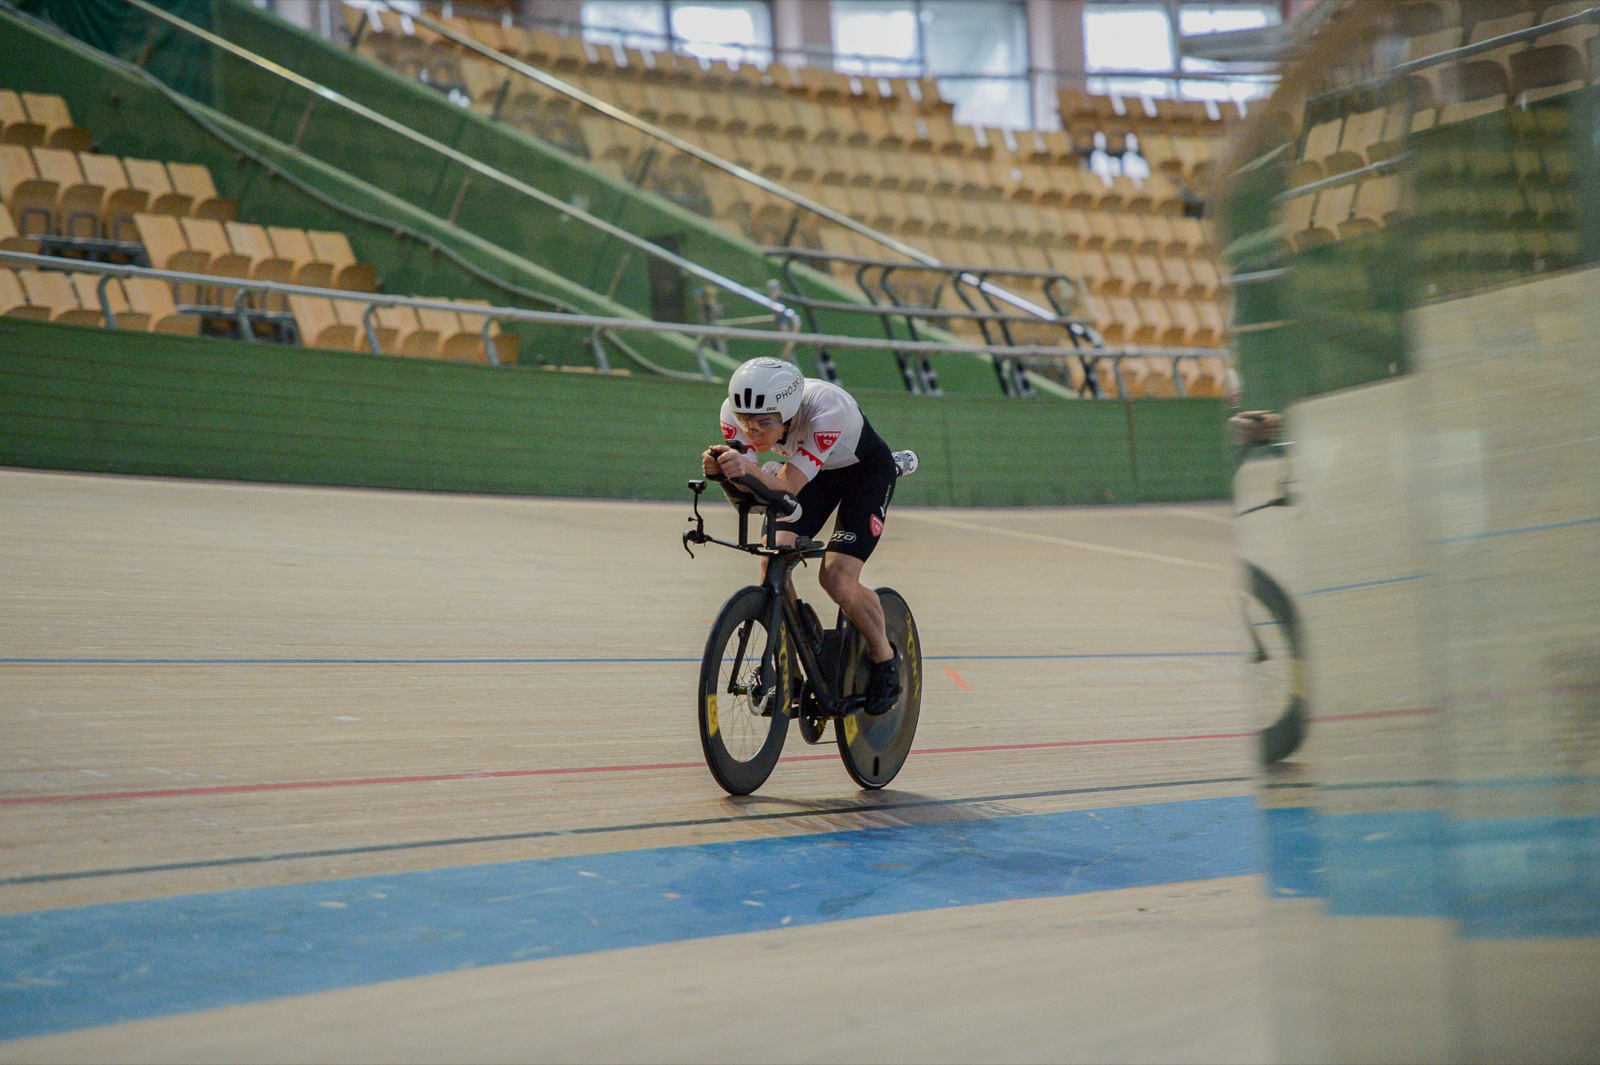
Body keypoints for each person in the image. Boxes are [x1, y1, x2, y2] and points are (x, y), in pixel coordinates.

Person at [702, 357, 917, 716]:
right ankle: (794, 671)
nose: (752, 433)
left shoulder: (827, 410)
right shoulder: (732, 414)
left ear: (789, 415)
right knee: (773, 558)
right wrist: (722, 472)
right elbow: (750, 485)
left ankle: (885, 659)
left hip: (863, 474)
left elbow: (786, 486)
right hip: (811, 472)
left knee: (837, 578)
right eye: (746, 422)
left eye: (765, 423)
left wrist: (743, 471)